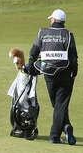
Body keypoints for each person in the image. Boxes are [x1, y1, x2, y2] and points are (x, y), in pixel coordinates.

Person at [25, 9, 78, 145]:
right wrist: (74, 73)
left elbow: (33, 52)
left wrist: (31, 66)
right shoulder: (69, 34)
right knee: (60, 106)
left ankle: (60, 132)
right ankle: (61, 131)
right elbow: (73, 57)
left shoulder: (42, 33)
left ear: (54, 20)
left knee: (58, 105)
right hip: (65, 74)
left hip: (48, 75)